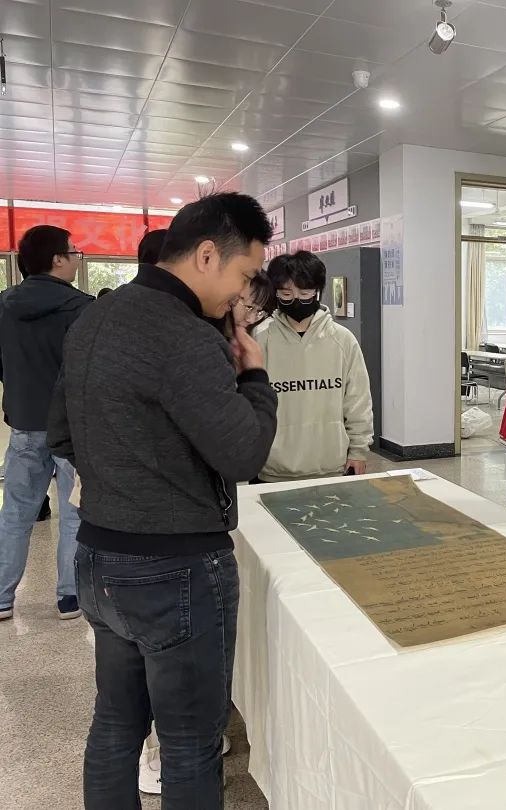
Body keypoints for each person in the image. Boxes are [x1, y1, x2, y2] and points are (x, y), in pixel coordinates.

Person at [47, 192, 278, 808]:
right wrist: (255, 377)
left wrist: (125, 472)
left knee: (115, 726)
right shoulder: (184, 335)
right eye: (244, 275)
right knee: (190, 744)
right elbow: (243, 453)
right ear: (206, 255)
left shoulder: (94, 319)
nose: (243, 293)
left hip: (98, 558)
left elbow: (61, 435)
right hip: (176, 568)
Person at [0, 225, 94, 621]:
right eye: (74, 252)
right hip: (71, 428)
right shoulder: (82, 307)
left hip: (24, 422)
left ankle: (2, 596)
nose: (76, 258)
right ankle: (69, 596)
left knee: (15, 512)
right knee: (73, 512)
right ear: (57, 259)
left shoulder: (3, 305)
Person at [255, 251, 373, 482]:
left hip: (332, 467)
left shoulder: (343, 340)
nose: (295, 300)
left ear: (317, 292)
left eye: (304, 293)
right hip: (272, 469)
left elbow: (358, 401)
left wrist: (359, 451)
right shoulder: (261, 339)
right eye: (286, 294)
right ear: (275, 293)